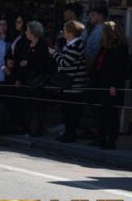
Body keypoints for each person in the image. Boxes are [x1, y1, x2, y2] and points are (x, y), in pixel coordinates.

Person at [89, 21, 128, 149]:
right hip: (101, 83)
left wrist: (114, 85)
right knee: (102, 112)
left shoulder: (120, 48)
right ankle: (101, 137)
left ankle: (111, 139)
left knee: (111, 113)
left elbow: (120, 69)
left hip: (111, 85)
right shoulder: (105, 47)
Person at [49, 20, 88, 143]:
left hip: (74, 85)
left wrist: (54, 53)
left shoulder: (77, 45)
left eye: (65, 30)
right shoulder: (70, 44)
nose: (63, 32)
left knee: (72, 111)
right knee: (67, 110)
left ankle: (71, 134)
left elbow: (65, 62)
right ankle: (68, 132)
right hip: (68, 85)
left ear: (71, 32)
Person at [18, 21, 52, 137]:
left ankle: (38, 128)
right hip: (27, 79)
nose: (26, 32)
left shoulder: (43, 45)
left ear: (33, 32)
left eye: (27, 30)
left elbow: (44, 63)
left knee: (38, 106)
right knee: (26, 105)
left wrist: (28, 63)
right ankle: (26, 127)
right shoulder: (26, 44)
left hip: (38, 81)